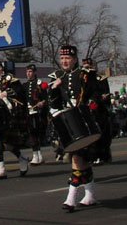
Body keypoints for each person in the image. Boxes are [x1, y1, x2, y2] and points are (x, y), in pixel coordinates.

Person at [48, 45, 100, 212]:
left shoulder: (84, 75)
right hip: (69, 123)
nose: (64, 61)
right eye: (62, 58)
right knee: (81, 160)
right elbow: (54, 103)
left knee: (77, 159)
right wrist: (54, 89)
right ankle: (90, 195)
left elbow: (95, 94)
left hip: (84, 122)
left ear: (75, 59)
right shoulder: (57, 76)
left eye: (68, 58)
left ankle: (71, 198)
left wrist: (91, 105)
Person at [0, 59, 30, 180]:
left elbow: (20, 92)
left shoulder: (10, 79)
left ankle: (21, 159)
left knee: (7, 143)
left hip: (9, 114)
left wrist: (7, 92)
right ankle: (2, 169)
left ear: (1, 68)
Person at [82, 57, 112, 165]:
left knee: (101, 133)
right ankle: (91, 155)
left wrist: (101, 99)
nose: (87, 70)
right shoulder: (81, 80)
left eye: (89, 67)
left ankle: (102, 154)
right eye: (85, 68)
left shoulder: (101, 79)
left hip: (99, 110)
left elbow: (106, 94)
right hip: (85, 110)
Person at [23, 63, 48, 166]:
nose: (28, 74)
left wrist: (42, 102)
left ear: (34, 72)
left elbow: (46, 98)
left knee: (37, 133)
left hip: (38, 113)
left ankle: (39, 155)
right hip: (29, 112)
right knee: (31, 133)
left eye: (30, 72)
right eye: (27, 72)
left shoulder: (40, 84)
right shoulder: (25, 85)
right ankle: (36, 155)